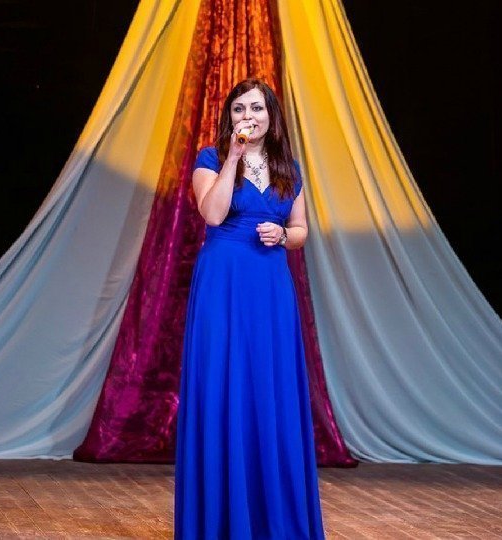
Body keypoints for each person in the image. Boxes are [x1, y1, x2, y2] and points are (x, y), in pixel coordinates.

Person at [174, 78, 326, 539]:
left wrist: (284, 235)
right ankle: (221, 520)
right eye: (239, 109)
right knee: (224, 381)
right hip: (223, 281)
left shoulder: (288, 168)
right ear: (230, 117)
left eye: (257, 108)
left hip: (269, 286)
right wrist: (233, 159)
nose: (248, 116)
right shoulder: (211, 158)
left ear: (271, 115)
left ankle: (271, 518)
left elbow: (301, 230)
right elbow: (213, 214)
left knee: (268, 385)